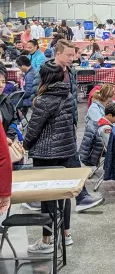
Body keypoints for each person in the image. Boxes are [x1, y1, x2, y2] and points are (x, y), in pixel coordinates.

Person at [32, 42, 104, 212]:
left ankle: (81, 197)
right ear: (57, 53)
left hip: (67, 124)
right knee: (53, 169)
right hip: (49, 131)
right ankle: (40, 199)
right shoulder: (45, 71)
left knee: (72, 162)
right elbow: (37, 96)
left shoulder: (70, 71)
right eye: (68, 55)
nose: (72, 59)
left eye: (74, 55)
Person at [24, 62, 77, 253]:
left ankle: (46, 240)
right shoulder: (69, 96)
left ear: (45, 78)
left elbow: (33, 128)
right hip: (65, 151)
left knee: (46, 197)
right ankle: (66, 234)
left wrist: (24, 145)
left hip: (45, 153)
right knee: (63, 195)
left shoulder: (44, 100)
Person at [79, 102, 115, 167]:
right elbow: (110, 144)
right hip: (106, 150)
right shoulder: (106, 128)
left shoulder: (100, 121)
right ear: (109, 115)